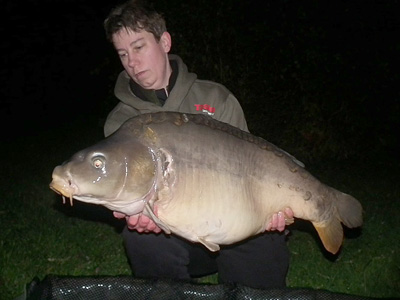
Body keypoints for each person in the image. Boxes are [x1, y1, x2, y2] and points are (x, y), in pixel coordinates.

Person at [103, 0, 294, 289]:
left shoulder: (216, 98)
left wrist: (271, 209)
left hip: (235, 229)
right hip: (176, 239)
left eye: (139, 47)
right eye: (123, 53)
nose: (132, 61)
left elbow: (254, 166)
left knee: (267, 240)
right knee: (140, 237)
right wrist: (140, 216)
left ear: (164, 41)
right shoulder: (121, 122)